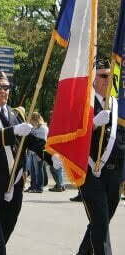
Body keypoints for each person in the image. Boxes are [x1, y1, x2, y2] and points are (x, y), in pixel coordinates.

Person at [0, 70, 50, 255]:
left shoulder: (16, 115)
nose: (3, 91)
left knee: (6, 226)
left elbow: (31, 142)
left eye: (6, 87)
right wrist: (13, 132)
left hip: (16, 181)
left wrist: (53, 156)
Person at [75, 59, 125, 255]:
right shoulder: (83, 104)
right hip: (90, 173)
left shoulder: (119, 105)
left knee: (100, 222)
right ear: (93, 78)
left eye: (111, 76)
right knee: (101, 222)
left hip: (115, 174)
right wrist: (93, 124)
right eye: (103, 75)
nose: (107, 80)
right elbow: (72, 135)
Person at [24, 112, 49, 193]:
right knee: (32, 171)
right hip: (31, 152)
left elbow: (42, 142)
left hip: (38, 152)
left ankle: (39, 187)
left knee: (38, 170)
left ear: (35, 119)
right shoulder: (33, 127)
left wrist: (32, 138)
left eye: (31, 119)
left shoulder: (43, 127)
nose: (30, 121)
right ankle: (33, 186)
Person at [47, 110, 66, 192]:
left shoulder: (59, 124)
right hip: (52, 148)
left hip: (58, 148)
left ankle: (60, 185)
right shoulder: (51, 124)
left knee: (57, 167)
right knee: (53, 168)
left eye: (52, 115)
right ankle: (59, 184)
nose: (51, 117)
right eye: (50, 115)